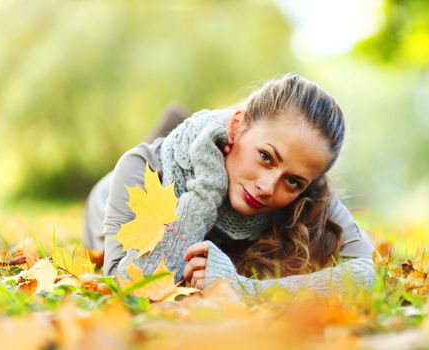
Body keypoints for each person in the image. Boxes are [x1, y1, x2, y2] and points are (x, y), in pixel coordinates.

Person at [83, 74, 375, 296]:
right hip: (107, 196)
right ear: (236, 127)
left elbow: (364, 274)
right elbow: (127, 285)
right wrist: (207, 190)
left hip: (236, 139)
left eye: (292, 180)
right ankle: (183, 126)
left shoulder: (305, 180)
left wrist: (244, 289)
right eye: (266, 157)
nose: (267, 187)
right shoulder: (141, 165)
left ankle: (199, 127)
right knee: (160, 154)